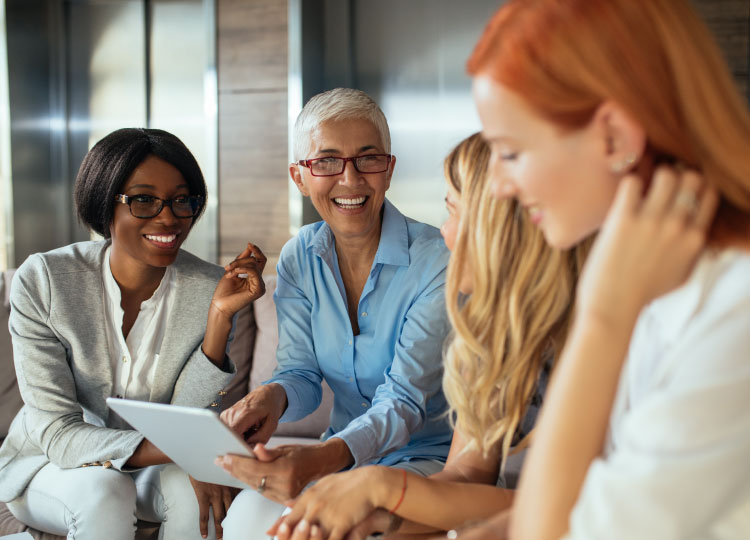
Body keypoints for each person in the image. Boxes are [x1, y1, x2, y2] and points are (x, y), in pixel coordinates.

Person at [463, 0, 750, 538]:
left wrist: (603, 318)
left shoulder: (735, 312)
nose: (499, 186)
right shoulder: (662, 278)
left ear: (614, 137)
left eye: (510, 152)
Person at [266, 133, 591, 540]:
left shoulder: (596, 335)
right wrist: (380, 515)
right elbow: (470, 472)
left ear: (502, 226)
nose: (444, 234)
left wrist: (380, 489)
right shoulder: (493, 336)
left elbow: (582, 509)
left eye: (454, 211)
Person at [0, 128, 267, 540]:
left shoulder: (209, 286)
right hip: (49, 465)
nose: (169, 217)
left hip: (152, 465)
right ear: (105, 203)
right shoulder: (45, 280)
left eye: (182, 200)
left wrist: (219, 320)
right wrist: (194, 451)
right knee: (104, 491)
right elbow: (58, 432)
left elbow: (184, 416)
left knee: (193, 491)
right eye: (143, 200)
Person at [215, 88, 454, 537]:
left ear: (388, 170)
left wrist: (322, 459)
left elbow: (404, 402)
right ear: (300, 177)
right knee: (246, 518)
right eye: (326, 161)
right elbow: (301, 375)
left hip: (428, 464)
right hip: (343, 461)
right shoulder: (299, 256)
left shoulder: (437, 261)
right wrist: (271, 397)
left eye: (368, 159)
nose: (350, 179)